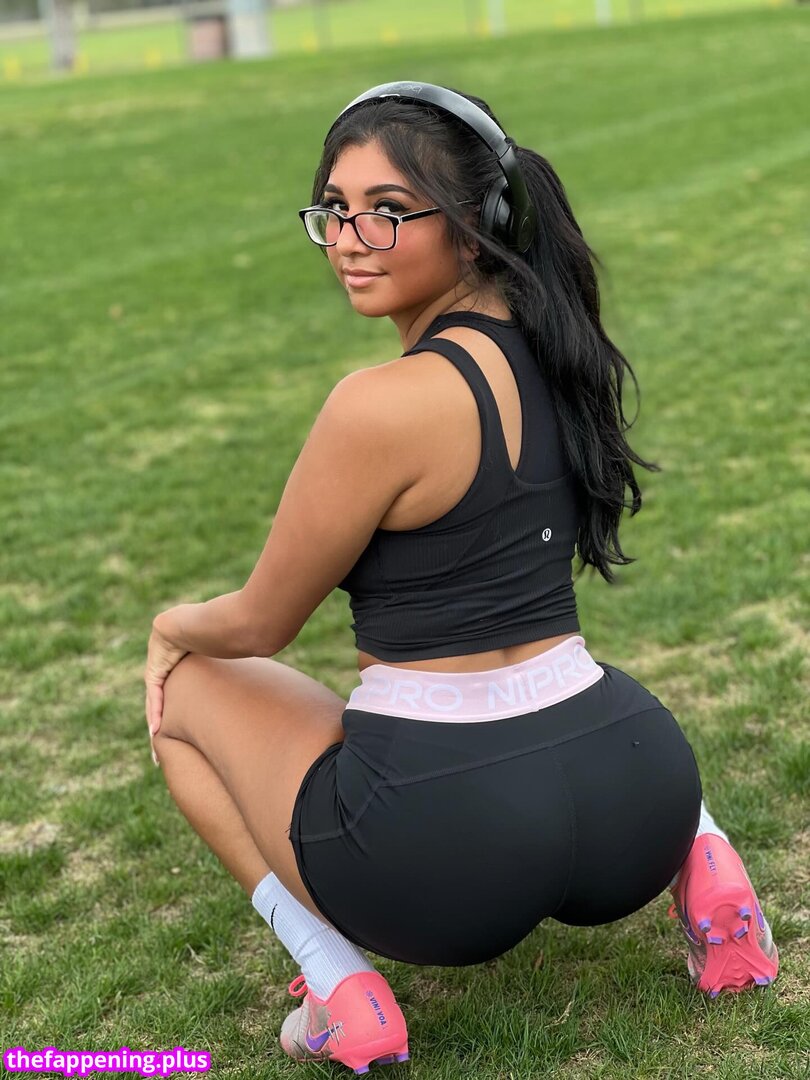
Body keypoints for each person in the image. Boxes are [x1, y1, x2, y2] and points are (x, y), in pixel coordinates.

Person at [143, 82, 779, 1075]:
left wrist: (170, 625)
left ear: (474, 225)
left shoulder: (378, 406)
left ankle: (339, 990)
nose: (350, 238)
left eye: (389, 211)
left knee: (186, 688)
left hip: (447, 853)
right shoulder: (561, 352)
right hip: (638, 794)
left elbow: (261, 623)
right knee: (555, 684)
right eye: (336, 208)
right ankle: (706, 865)